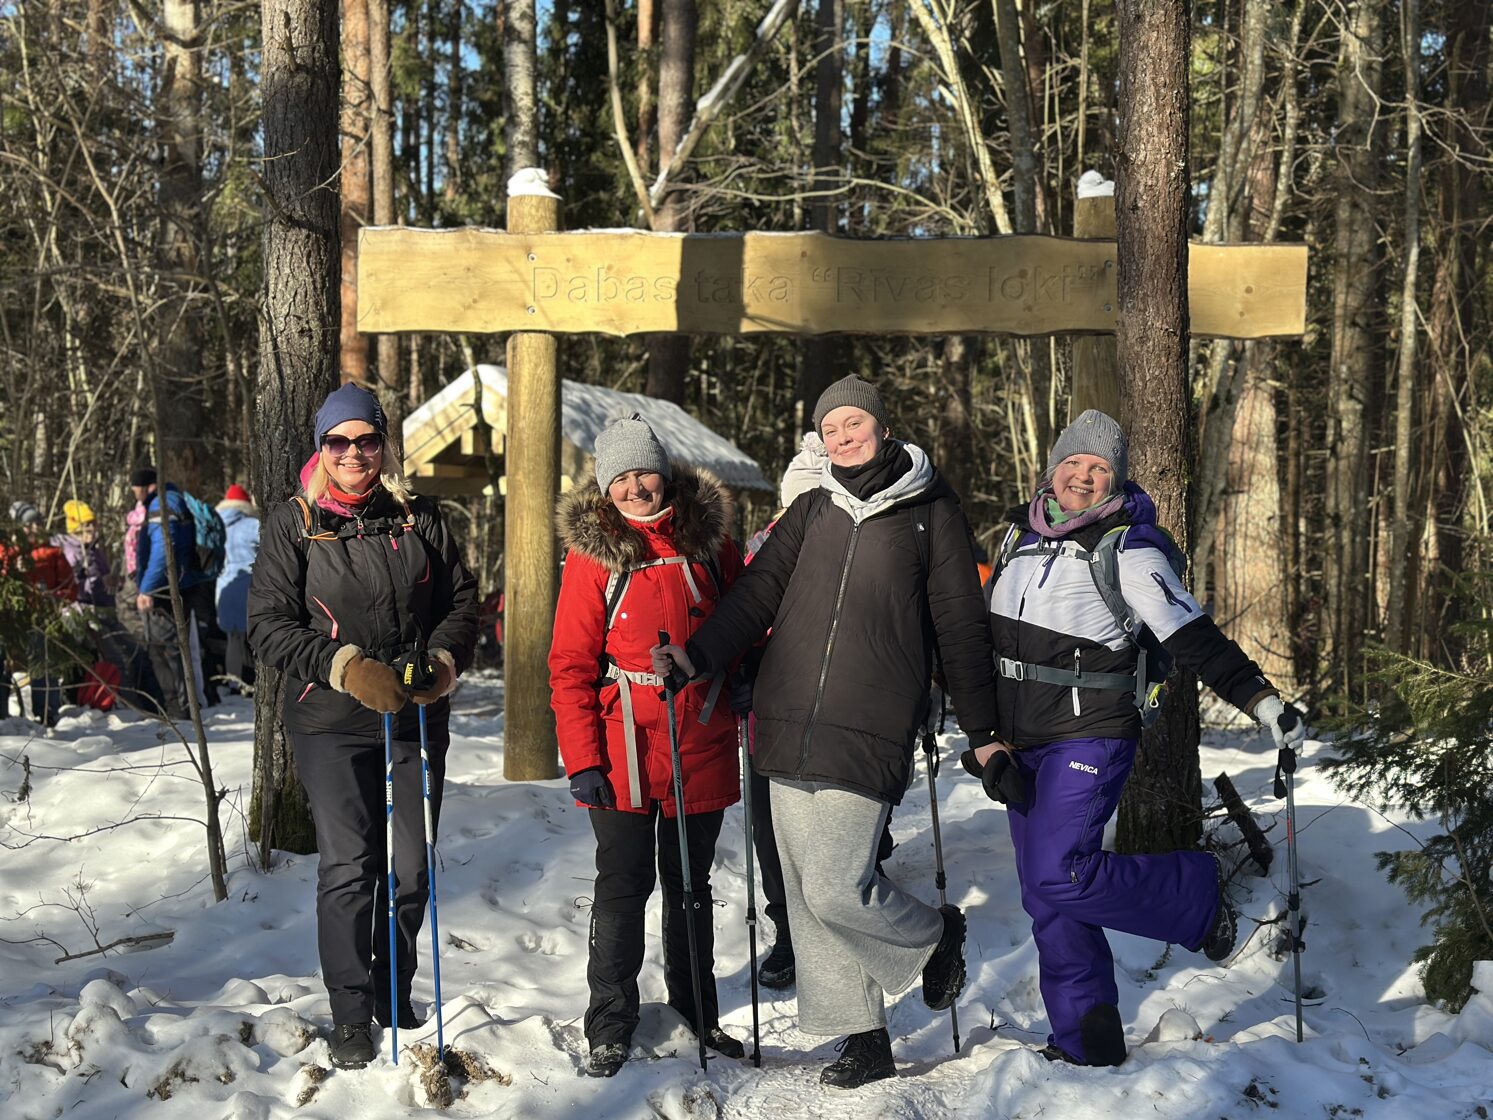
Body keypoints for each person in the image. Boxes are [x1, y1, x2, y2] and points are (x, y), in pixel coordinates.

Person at [652, 375, 999, 1088]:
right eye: (830, 429)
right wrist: (698, 655)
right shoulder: (811, 508)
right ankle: (863, 1038)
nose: (843, 438)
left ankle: (937, 933)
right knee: (806, 895)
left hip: (871, 720)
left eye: (853, 424)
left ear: (881, 426)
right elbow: (755, 595)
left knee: (839, 885)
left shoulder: (931, 512)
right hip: (785, 716)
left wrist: (983, 728)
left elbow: (960, 625)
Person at [972, 409, 1310, 1068]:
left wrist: (1259, 699)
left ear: (1115, 479)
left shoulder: (1129, 548)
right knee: (1045, 894)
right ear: (1052, 469)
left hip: (1089, 735)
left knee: (1061, 873)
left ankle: (1193, 894)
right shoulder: (1017, 537)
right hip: (1020, 741)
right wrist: (980, 732)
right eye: (1073, 462)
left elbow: (1192, 636)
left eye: (1098, 468)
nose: (1082, 476)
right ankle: (1087, 1035)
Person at [248, 383, 477, 1071]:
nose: (353, 453)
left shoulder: (419, 517)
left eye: (366, 440)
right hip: (330, 719)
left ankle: (391, 989)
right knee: (351, 866)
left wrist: (442, 660)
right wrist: (344, 666)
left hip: (413, 714)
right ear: (321, 448)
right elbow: (267, 625)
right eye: (338, 442)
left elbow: (461, 602)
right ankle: (350, 1010)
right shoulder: (294, 522)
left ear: (383, 444)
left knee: (410, 867)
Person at [548, 413, 746, 1078]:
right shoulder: (593, 556)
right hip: (621, 743)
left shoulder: (709, 542)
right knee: (622, 883)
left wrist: (745, 677)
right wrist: (582, 760)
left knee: (690, 884)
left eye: (644, 473)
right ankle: (609, 1022)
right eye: (621, 478)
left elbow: (746, 623)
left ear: (665, 473)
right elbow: (569, 663)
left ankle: (697, 1013)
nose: (635, 488)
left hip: (699, 733)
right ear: (606, 488)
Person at [738, 430, 830, 992]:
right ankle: (789, 933)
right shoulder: (757, 551)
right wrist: (741, 673)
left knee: (831, 831)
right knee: (769, 830)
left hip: (834, 713)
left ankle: (836, 925)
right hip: (766, 717)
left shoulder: (850, 546)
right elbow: (737, 621)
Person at [131, 468, 213, 719]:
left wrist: (147, 589)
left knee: (165, 651)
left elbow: (163, 549)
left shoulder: (162, 505)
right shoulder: (173, 499)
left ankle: (179, 710)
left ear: (145, 486)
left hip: (166, 590)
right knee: (174, 649)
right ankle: (182, 707)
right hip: (179, 584)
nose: (133, 493)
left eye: (134, 488)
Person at [215, 484, 260, 690]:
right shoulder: (251, 525)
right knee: (253, 636)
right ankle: (251, 682)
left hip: (224, 586)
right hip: (247, 586)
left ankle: (233, 681)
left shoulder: (218, 526)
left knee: (232, 638)